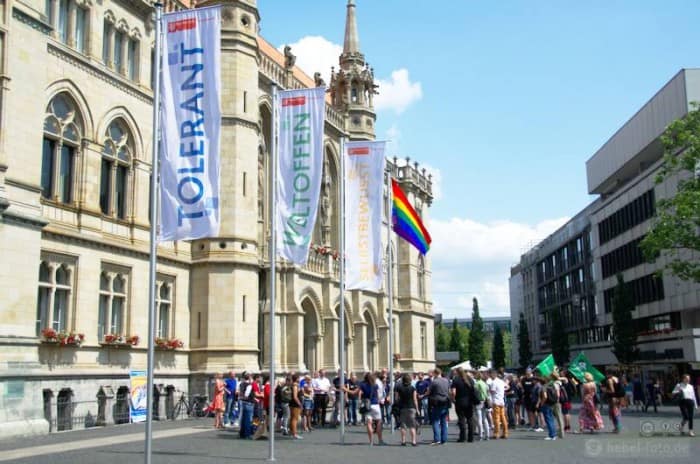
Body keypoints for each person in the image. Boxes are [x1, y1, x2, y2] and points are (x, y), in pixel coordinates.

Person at [360, 372, 385, 446]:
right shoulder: (375, 385)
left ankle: (371, 441)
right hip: (375, 405)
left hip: (368, 405)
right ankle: (380, 440)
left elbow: (357, 393)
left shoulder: (363, 385)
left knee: (369, 423)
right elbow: (377, 395)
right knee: (379, 422)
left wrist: (345, 389)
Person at [451, 367, 475, 443]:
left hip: (459, 401)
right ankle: (471, 437)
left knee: (461, 420)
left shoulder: (456, 380)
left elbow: (453, 392)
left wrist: (453, 399)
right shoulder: (470, 379)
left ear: (457, 372)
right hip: (469, 402)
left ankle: (463, 437)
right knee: (470, 419)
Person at [427, 368, 450, 445]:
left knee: (435, 421)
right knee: (444, 422)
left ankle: (437, 439)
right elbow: (449, 391)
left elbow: (429, 392)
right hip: (445, 402)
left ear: (435, 373)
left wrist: (423, 395)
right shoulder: (446, 381)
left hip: (437, 402)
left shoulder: (434, 382)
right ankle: (444, 439)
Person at [395, 373, 419, 446]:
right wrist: (417, 409)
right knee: (412, 425)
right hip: (411, 407)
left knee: (403, 425)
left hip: (402, 407)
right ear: (410, 380)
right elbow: (415, 399)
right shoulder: (412, 388)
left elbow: (396, 398)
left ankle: (403, 441)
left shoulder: (399, 388)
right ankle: (413, 441)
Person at [489, 369, 508, 439]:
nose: (490, 376)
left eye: (490, 374)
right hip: (501, 401)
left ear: (493, 374)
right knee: (503, 417)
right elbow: (506, 387)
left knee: (496, 418)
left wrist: (489, 390)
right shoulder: (501, 381)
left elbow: (492, 391)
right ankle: (505, 433)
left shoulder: (494, 382)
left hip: (496, 401)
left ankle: (496, 433)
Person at [538, 376, 557, 440]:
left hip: (546, 404)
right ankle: (554, 434)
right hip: (552, 403)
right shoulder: (552, 386)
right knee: (551, 418)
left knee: (548, 419)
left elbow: (545, 396)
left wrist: (542, 403)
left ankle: (551, 435)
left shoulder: (544, 387)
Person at [474, 371, 491, 440]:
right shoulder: (485, 383)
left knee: (479, 419)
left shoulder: (477, 383)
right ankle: (487, 435)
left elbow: (474, 392)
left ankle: (480, 435)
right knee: (485, 419)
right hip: (485, 401)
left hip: (479, 402)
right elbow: (488, 393)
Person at [288, 374, 303, 440]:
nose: (299, 379)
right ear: (296, 379)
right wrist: (299, 404)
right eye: (298, 378)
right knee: (295, 419)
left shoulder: (293, 385)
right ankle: (294, 433)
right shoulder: (295, 386)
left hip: (292, 403)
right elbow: (295, 396)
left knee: (292, 418)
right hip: (295, 404)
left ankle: (292, 431)